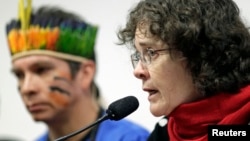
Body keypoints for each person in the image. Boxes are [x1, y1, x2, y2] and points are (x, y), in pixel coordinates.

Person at [5, 0, 150, 141]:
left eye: (41, 70)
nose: (27, 88)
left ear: (85, 73)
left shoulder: (132, 138)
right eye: (19, 75)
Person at [117, 0, 250, 140]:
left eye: (151, 53)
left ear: (198, 54)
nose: (138, 71)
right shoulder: (164, 132)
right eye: (139, 55)